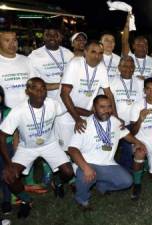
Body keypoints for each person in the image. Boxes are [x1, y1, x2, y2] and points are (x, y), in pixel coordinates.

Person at [0, 78, 74, 218]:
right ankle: (26, 201)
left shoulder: (52, 104)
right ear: (28, 91)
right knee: (9, 176)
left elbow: (71, 107)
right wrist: (9, 164)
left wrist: (87, 114)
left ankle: (56, 183)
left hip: (50, 144)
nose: (40, 92)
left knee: (68, 172)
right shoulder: (18, 110)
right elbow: (1, 136)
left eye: (43, 88)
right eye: (35, 88)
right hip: (27, 148)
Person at [68, 95, 146, 210]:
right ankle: (82, 200)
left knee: (127, 181)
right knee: (84, 176)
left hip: (108, 163)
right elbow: (72, 149)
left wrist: (138, 142)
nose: (107, 110)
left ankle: (101, 186)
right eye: (102, 107)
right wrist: (85, 167)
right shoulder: (84, 124)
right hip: (88, 164)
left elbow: (126, 134)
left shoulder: (114, 121)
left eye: (109, 107)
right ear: (94, 108)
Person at [58, 41, 118, 152]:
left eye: (100, 53)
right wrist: (77, 119)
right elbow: (64, 94)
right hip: (67, 113)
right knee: (66, 151)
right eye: (93, 52)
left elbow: (108, 93)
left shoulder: (101, 67)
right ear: (85, 52)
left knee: (81, 149)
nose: (97, 56)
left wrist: (115, 116)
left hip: (85, 114)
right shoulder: (75, 64)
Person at [129, 78, 152, 199]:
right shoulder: (137, 106)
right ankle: (137, 183)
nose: (151, 92)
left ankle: (147, 165)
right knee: (140, 153)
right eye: (148, 89)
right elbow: (132, 132)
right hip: (141, 141)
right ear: (144, 90)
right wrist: (140, 118)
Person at [109, 56, 144, 171]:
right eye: (124, 66)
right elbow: (105, 101)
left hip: (134, 123)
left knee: (128, 147)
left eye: (131, 66)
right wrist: (115, 117)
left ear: (134, 68)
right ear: (119, 67)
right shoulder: (111, 81)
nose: (128, 69)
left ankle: (125, 169)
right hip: (115, 121)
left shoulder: (140, 82)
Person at [29, 26, 74, 99]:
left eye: (55, 35)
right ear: (44, 37)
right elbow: (34, 84)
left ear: (60, 37)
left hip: (70, 98)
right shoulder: (34, 56)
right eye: (48, 35)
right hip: (48, 101)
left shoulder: (69, 54)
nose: (52, 38)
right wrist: (61, 85)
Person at [0, 29, 35, 108]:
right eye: (7, 40)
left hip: (28, 111)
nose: (12, 44)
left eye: (14, 40)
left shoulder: (26, 60)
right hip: (5, 114)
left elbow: (34, 85)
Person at [121, 13, 152, 79]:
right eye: (138, 45)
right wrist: (127, 24)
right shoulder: (128, 57)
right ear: (133, 46)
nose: (141, 47)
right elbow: (124, 41)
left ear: (147, 47)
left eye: (144, 45)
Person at [0, 86, 16, 215]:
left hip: (7, 147)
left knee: (7, 174)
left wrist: (15, 148)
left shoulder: (9, 112)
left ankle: (6, 201)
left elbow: (16, 133)